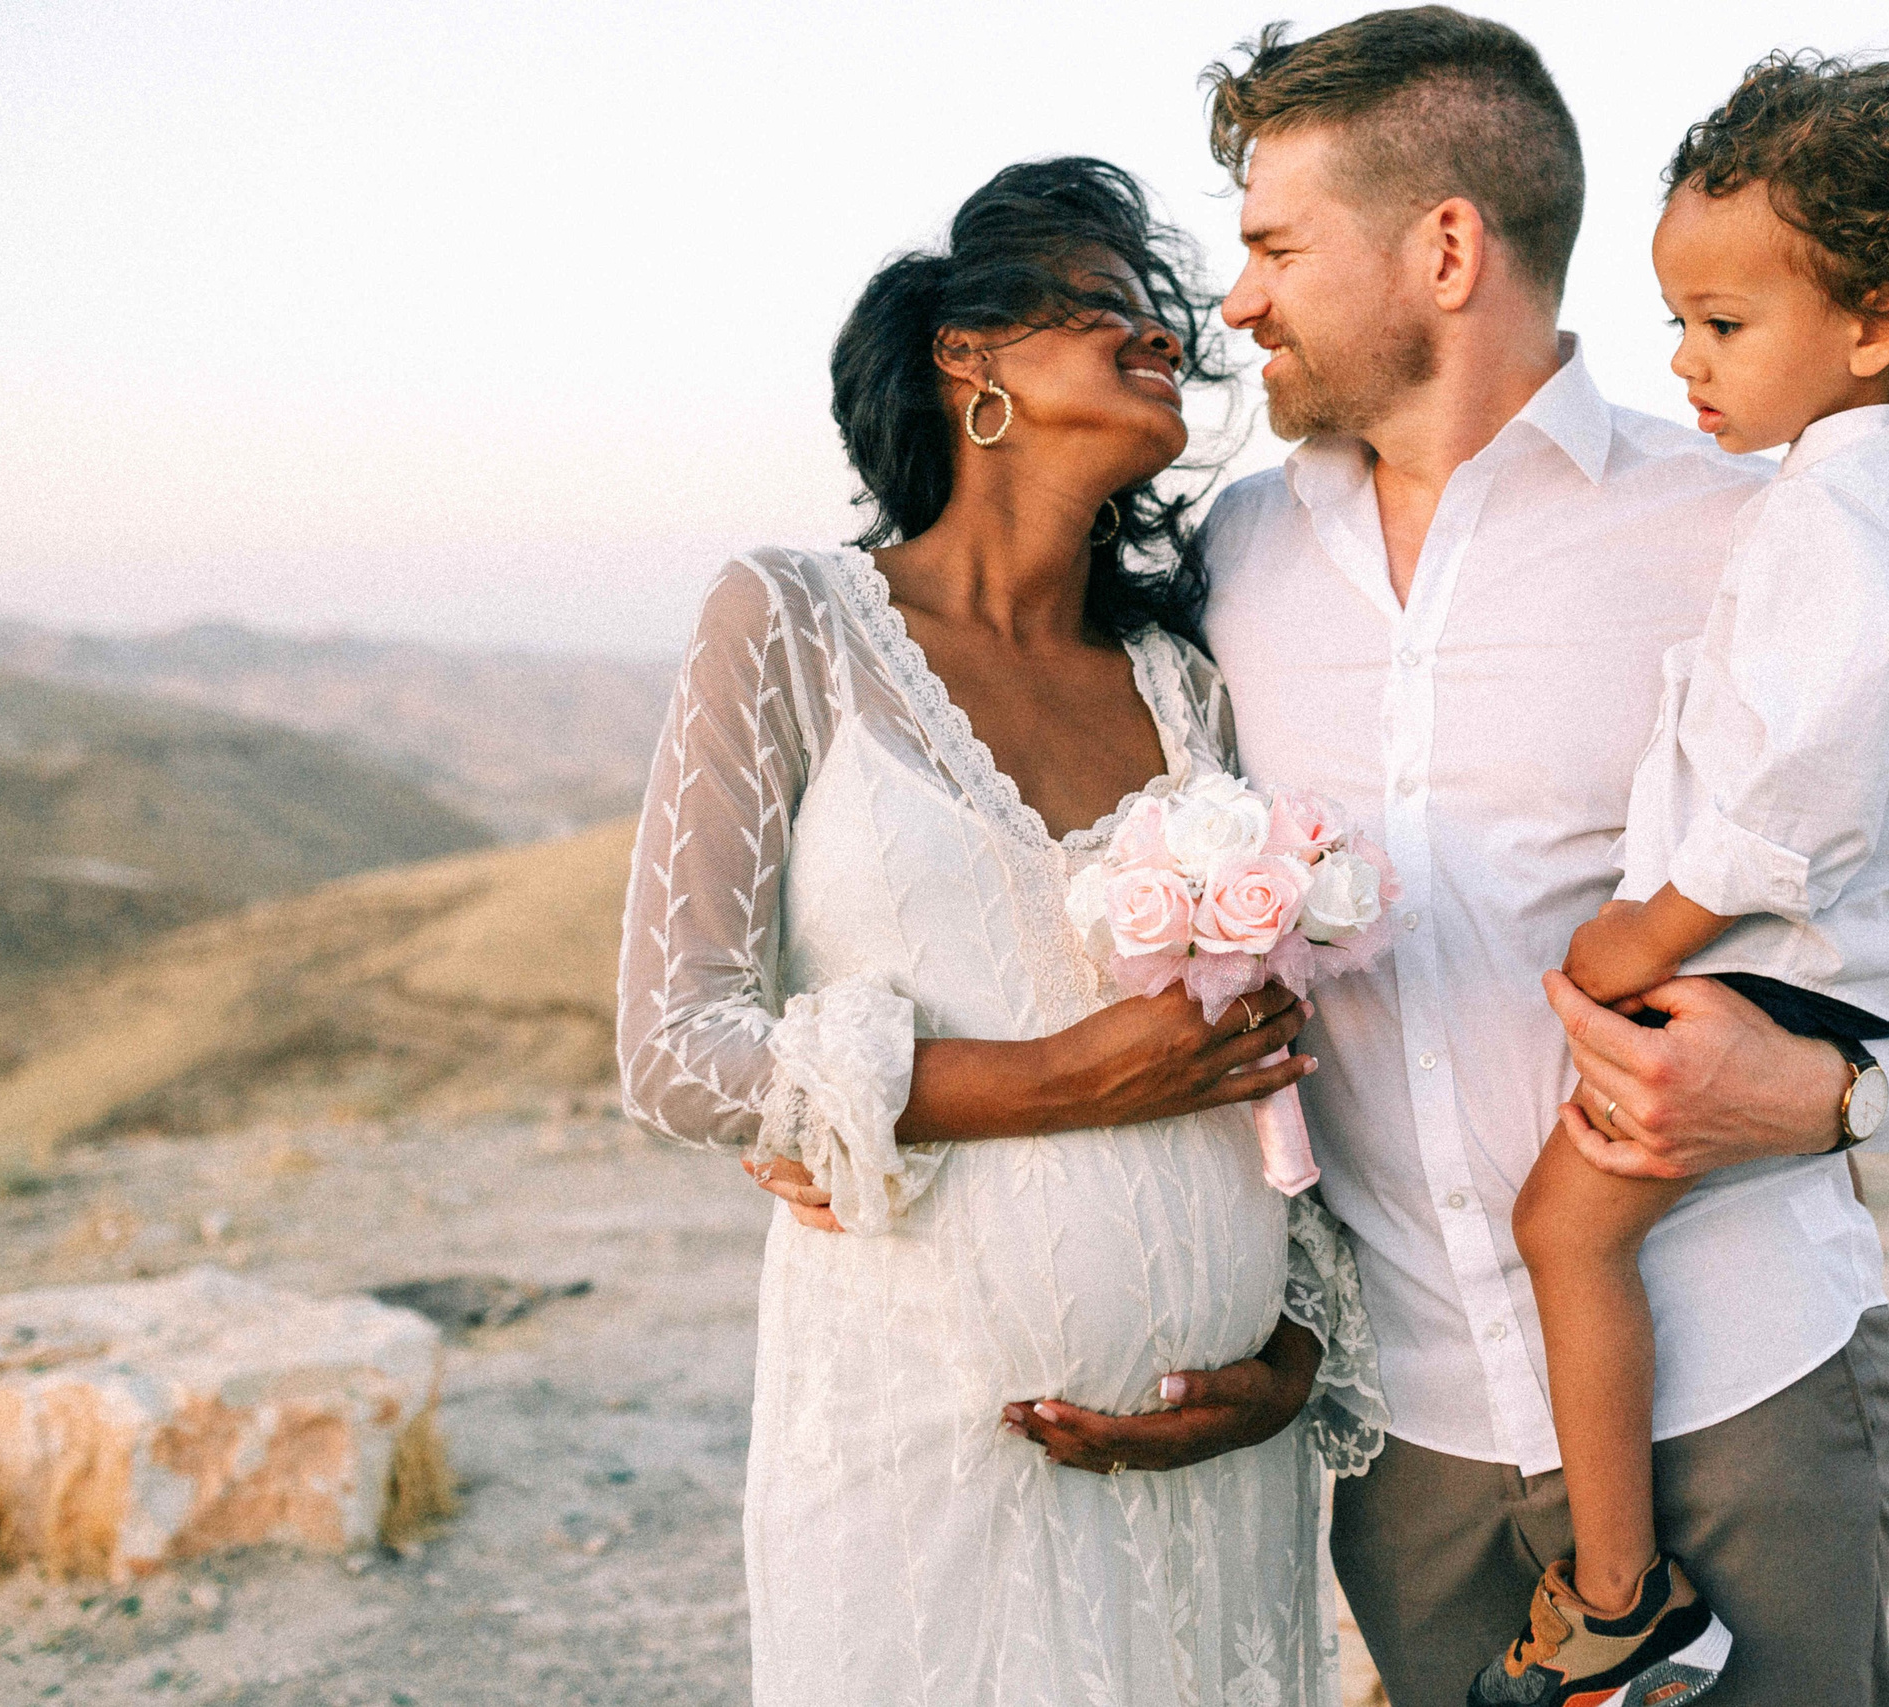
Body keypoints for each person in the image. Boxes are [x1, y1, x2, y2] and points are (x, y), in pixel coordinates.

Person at [1194, 11, 1889, 1705]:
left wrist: (1833, 1098)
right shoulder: (1232, 555)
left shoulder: (1751, 525)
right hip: (1408, 1435)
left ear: (1444, 247)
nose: (1240, 300)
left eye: (1277, 245)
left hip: (1746, 1380)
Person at [615, 157, 1385, 1706]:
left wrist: (1293, 1354)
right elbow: (677, 1052)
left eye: (1166, 318)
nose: (1164, 335)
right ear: (971, 356)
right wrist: (1042, 1082)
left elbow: (1264, 1050)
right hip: (924, 1441)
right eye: (1112, 306)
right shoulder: (790, 623)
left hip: (1209, 1464)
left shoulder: (1187, 679)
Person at [1486, 44, 1889, 1707]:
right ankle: (1627, 1589)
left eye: (1723, 326)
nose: (1683, 361)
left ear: (1873, 323)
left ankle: (1619, 1598)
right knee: (1576, 1224)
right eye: (1676, 321)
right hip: (1838, 966)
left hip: (1778, 959)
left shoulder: (1838, 521)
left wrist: (1641, 930)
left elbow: (1789, 799)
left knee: (1562, 1225)